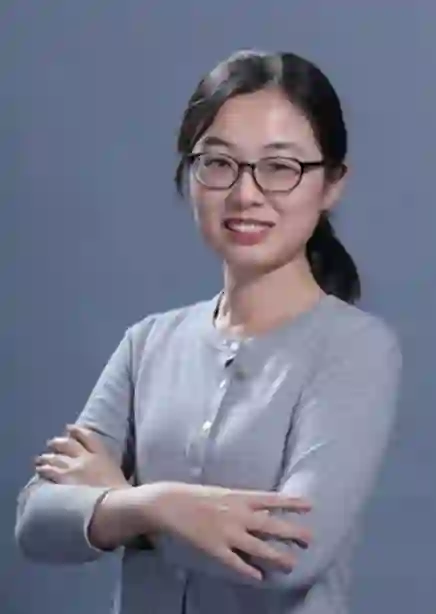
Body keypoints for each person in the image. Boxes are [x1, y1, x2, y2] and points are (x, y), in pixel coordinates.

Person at [15, 49, 402, 614]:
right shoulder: (148, 344)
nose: (245, 194)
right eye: (219, 163)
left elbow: (286, 555)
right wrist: (155, 505)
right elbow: (36, 521)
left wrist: (121, 503)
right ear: (188, 174)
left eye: (280, 167)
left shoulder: (356, 349)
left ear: (331, 185)